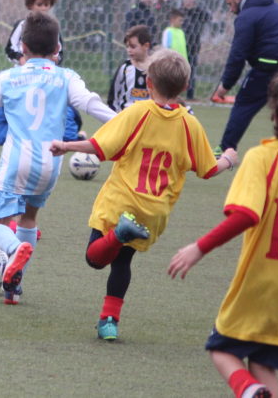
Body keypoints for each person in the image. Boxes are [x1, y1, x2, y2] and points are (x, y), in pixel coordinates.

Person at [51, 49, 237, 342]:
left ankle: (117, 235)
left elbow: (101, 147)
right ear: (185, 86)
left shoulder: (136, 112)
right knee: (122, 263)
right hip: (153, 211)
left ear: (148, 83)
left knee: (94, 259)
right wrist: (228, 158)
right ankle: (109, 321)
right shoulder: (190, 125)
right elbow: (208, 170)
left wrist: (66, 145)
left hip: (121, 201)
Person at [168, 66, 278, 398]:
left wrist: (199, 247)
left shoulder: (263, 157)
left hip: (262, 284)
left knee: (222, 349)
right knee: (264, 366)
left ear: (275, 111)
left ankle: (249, 392)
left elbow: (246, 214)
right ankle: (257, 388)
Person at [0, 11, 116, 306]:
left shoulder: (8, 78)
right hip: (50, 163)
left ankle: (13, 250)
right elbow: (88, 103)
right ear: (57, 49)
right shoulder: (66, 77)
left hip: (15, 162)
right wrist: (124, 120)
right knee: (29, 218)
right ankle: (14, 287)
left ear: (22, 47)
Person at [214, 0, 278, 152]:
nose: (230, 10)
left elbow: (237, 56)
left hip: (272, 68)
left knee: (244, 104)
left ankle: (225, 150)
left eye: (229, 4)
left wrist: (224, 87)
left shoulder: (247, 16)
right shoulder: (277, 7)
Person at [0, 0, 80, 145]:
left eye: (46, 5)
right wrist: (21, 59)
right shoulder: (22, 26)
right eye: (39, 4)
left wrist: (53, 61)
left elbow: (60, 53)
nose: (43, 8)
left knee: (66, 129)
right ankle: (19, 134)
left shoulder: (53, 28)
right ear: (30, 5)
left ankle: (72, 130)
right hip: (21, 80)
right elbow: (10, 48)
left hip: (45, 81)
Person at [107, 25, 152, 112]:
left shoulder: (155, 69)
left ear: (146, 46)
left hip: (148, 119)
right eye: (127, 46)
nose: (129, 50)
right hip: (126, 118)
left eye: (133, 47)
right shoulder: (125, 67)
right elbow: (113, 97)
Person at [181, 0, 212, 99]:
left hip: (193, 46)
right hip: (180, 47)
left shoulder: (198, 13)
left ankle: (190, 94)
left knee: (191, 70)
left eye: (191, 2)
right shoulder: (180, 13)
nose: (189, 4)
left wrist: (195, 9)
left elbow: (208, 17)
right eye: (187, 2)